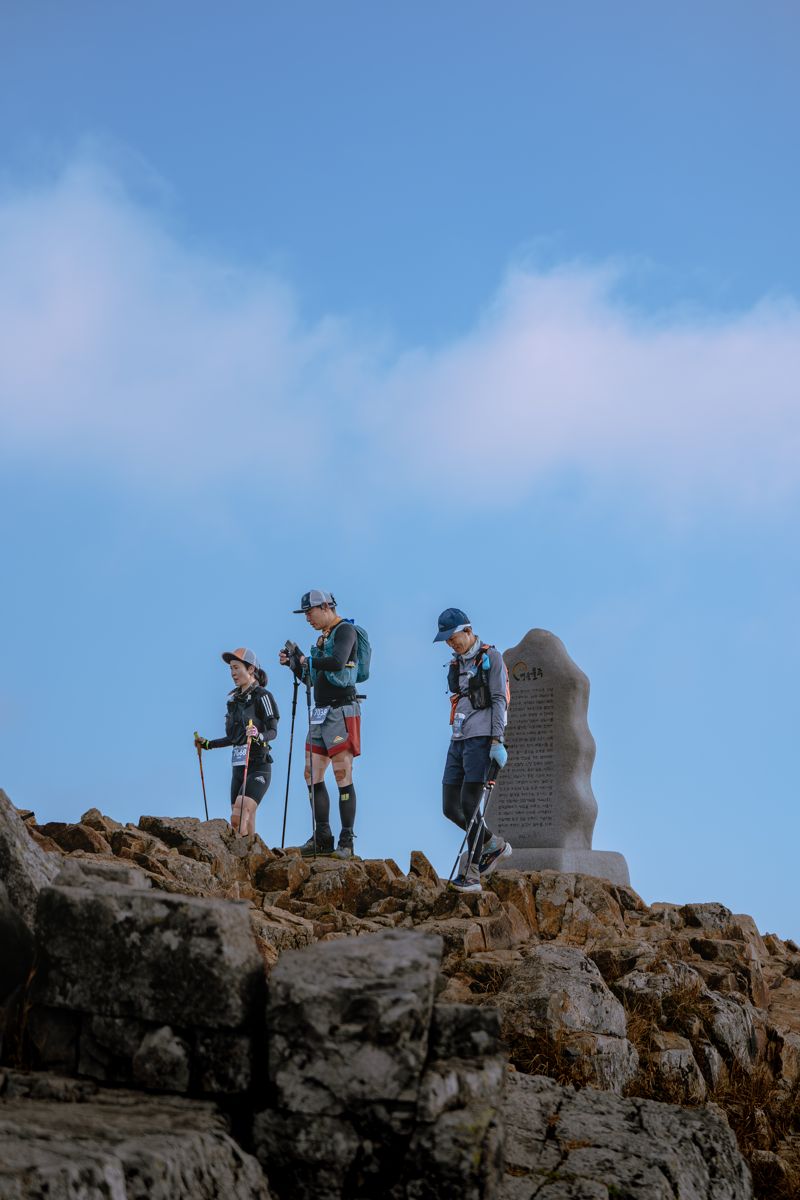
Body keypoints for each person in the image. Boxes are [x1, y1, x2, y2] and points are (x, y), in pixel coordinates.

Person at [434, 607, 512, 892]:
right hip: (458, 737)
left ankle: (472, 875)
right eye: (446, 639)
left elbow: (498, 700)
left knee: (469, 804)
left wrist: (496, 741)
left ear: (467, 631)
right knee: (449, 806)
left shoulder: (491, 658)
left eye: (453, 636)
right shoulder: (456, 663)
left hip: (481, 738)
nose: (450, 643)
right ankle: (492, 844)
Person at [279, 590, 361, 859]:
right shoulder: (322, 638)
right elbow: (312, 679)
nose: (307, 618)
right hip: (320, 712)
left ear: (325, 606)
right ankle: (323, 836)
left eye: (309, 612)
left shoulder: (345, 630)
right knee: (311, 773)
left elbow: (338, 662)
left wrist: (307, 660)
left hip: (341, 712)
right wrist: (296, 664)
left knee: (341, 773)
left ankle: (347, 840)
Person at [194, 648, 279, 837]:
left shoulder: (263, 696)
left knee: (239, 814)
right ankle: (249, 859)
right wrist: (207, 744)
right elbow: (234, 738)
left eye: (236, 667)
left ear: (250, 669)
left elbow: (273, 731)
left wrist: (258, 735)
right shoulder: (234, 701)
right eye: (231, 669)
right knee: (241, 821)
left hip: (258, 765)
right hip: (238, 768)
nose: (233, 673)